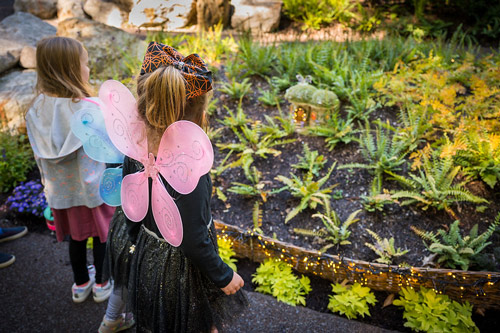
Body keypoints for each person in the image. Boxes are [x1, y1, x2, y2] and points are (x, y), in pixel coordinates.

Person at [124, 42, 248, 332]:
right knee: (194, 323)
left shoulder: (135, 147)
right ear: (199, 118)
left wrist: (136, 242)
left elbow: (130, 202)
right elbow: (192, 238)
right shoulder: (190, 170)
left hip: (149, 255)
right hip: (183, 270)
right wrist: (223, 275)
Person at [25, 36, 114, 303]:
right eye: (85, 64)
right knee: (101, 236)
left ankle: (80, 284)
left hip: (61, 191)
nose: (88, 69)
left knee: (76, 239)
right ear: (72, 70)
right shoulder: (88, 109)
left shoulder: (36, 109)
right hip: (93, 188)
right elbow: (108, 145)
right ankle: (102, 283)